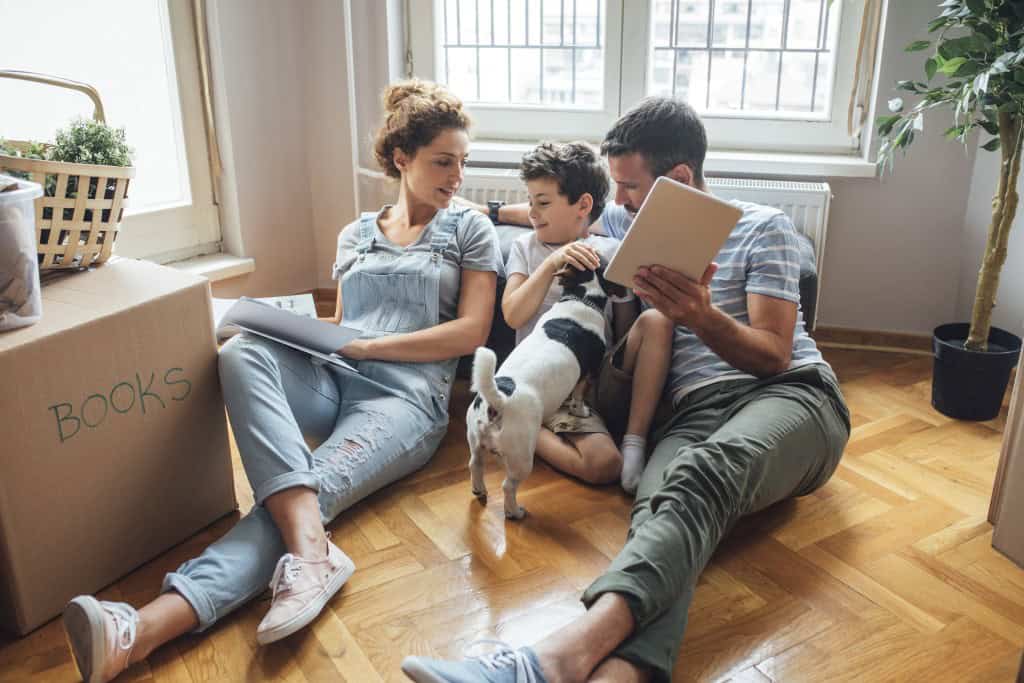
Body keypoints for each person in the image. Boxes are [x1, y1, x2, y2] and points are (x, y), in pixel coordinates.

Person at [60, 80, 502, 683]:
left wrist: (369, 346)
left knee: (299, 497)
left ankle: (140, 630)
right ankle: (313, 553)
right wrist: (295, 328)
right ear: (402, 158)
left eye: (463, 163)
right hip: (337, 374)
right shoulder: (355, 234)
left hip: (405, 401)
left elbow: (472, 332)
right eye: (443, 162)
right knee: (242, 352)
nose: (457, 176)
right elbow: (341, 324)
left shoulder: (469, 230)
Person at [401, 96, 850, 683]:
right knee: (658, 517)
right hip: (689, 415)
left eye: (631, 188)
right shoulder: (622, 223)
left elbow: (772, 356)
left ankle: (545, 662)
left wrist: (701, 316)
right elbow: (551, 214)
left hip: (791, 399)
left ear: (680, 180)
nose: (620, 203)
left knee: (698, 475)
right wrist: (482, 208)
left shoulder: (765, 228)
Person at [502, 141, 674, 491]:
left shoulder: (610, 252)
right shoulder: (526, 249)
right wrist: (553, 263)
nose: (532, 213)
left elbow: (624, 331)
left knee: (657, 321)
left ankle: (635, 441)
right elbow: (513, 315)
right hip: (548, 384)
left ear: (583, 205)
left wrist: (623, 289)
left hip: (597, 379)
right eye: (531, 201)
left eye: (543, 203)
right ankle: (515, 422)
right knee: (603, 466)